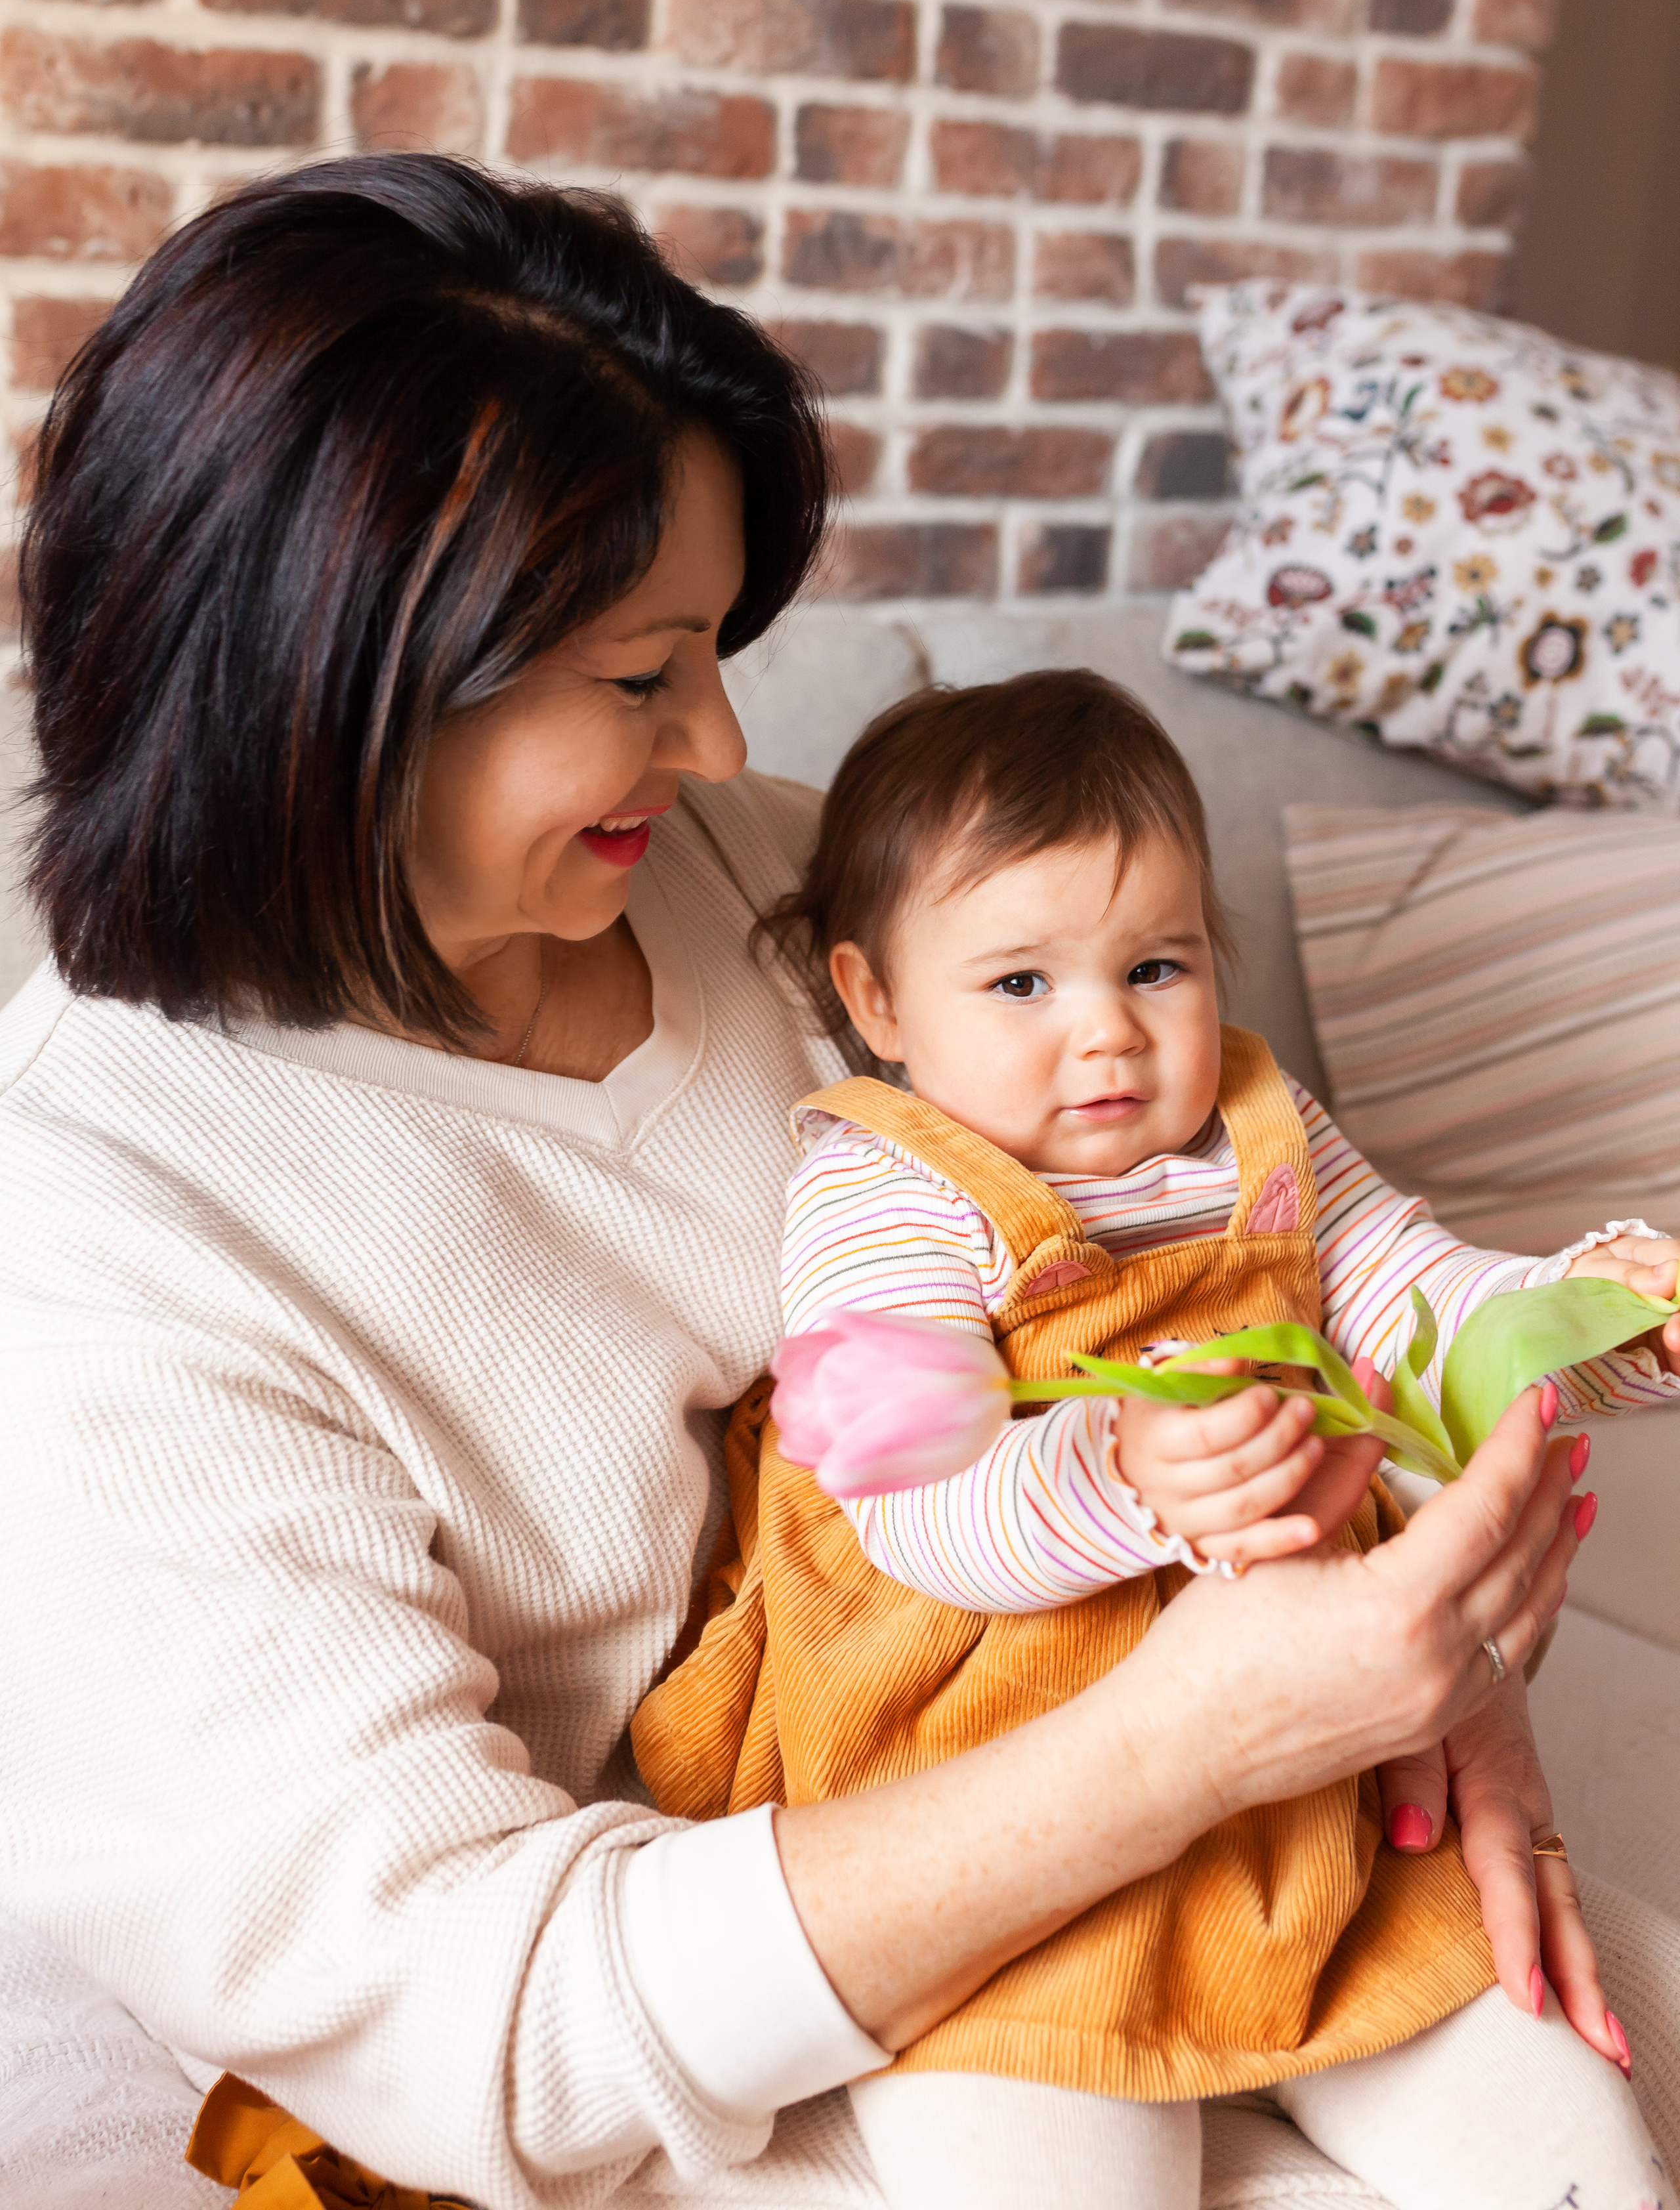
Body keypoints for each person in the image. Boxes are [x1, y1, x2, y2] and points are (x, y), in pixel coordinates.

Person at [0, 155, 1645, 2210]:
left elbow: (1240, 1245)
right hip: (710, 1993)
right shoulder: (104, 1241)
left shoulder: (780, 881)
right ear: (326, 693)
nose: (715, 733)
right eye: (635, 672)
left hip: (1191, 1804)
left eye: (714, 645)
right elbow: (478, 2022)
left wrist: (1437, 1634)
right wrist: (1192, 1744)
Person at [635, 669, 1679, 2210]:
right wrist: (1116, 1476)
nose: (1106, 1036)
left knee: (1570, 2140)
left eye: (1155, 966)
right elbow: (904, 1505)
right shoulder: (884, 1185)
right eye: (1019, 988)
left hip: (1317, 1781)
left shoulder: (1261, 1130)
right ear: (873, 1002)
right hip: (1000, 1785)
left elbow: (1419, 1315)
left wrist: (1593, 1321)